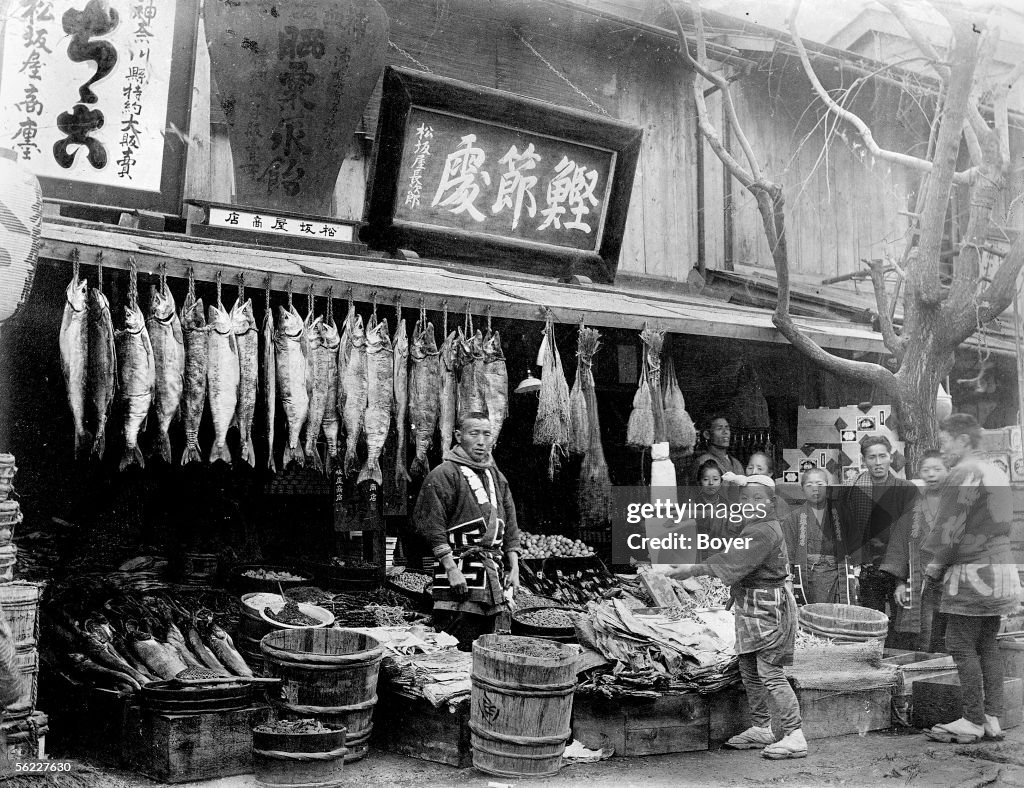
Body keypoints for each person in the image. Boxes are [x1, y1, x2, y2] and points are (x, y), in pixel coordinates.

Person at [655, 475, 807, 759]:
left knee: (770, 671)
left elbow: (730, 561)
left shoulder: (763, 531)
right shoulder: (757, 525)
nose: (750, 505)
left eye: (758, 499)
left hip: (767, 608)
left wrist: (689, 570)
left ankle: (794, 734)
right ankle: (762, 727)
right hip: (751, 604)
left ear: (771, 503)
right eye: (745, 499)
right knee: (748, 667)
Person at [923, 414, 1021, 744]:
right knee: (987, 644)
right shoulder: (994, 469)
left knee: (959, 643)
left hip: (973, 572)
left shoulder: (962, 472)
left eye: (947, 441)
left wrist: (935, 566)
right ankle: (993, 718)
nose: (944, 449)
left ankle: (972, 719)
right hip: (1001, 570)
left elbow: (951, 528)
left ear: (963, 440)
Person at [413, 412, 521, 651]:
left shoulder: (497, 477)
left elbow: (510, 523)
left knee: (487, 653)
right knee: (454, 652)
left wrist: (514, 566)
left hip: (491, 578)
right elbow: (431, 525)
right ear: (459, 436)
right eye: (474, 434)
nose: (482, 441)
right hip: (458, 578)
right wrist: (451, 568)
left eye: (487, 434)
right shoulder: (443, 474)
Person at [837, 435, 917, 629]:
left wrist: (902, 580)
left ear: (891, 457)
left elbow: (912, 535)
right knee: (872, 625)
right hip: (868, 570)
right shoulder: (853, 492)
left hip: (899, 568)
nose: (878, 462)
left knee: (903, 628)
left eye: (883, 456)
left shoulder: (906, 490)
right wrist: (854, 570)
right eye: (872, 457)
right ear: (864, 461)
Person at [879, 450, 950, 652]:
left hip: (953, 582)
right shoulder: (912, 506)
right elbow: (899, 544)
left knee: (952, 638)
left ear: (948, 471)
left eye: (937, 469)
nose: (932, 474)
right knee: (923, 636)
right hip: (920, 582)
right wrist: (900, 583)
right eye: (926, 470)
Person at [782, 468, 849, 605]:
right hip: (807, 575)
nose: (815, 489)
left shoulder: (842, 515)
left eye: (820, 484)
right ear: (802, 489)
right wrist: (788, 580)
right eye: (809, 485)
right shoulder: (793, 518)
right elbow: (787, 552)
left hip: (835, 575)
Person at [693, 415, 744, 487]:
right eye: (719, 428)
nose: (725, 432)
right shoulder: (703, 461)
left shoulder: (736, 463)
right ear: (707, 435)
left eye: (727, 428)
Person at [694, 459, 728, 559]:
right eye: (705, 479)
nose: (711, 483)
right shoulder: (693, 504)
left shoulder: (726, 504)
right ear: (699, 482)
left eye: (715, 479)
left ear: (721, 482)